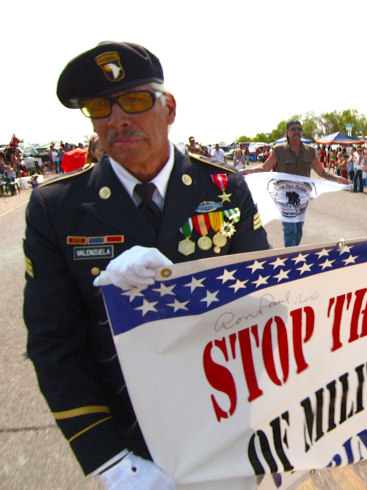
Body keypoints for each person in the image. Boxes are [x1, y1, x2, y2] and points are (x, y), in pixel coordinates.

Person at [23, 41, 270, 488]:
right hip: (129, 440)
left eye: (135, 101)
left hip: (224, 422)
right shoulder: (56, 208)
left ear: (169, 108)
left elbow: (263, 300)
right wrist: (113, 462)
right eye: (100, 108)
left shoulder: (224, 188)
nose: (117, 119)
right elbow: (54, 345)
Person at [248, 119, 348, 246]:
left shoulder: (310, 151)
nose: (296, 131)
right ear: (287, 132)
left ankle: (292, 252)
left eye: (299, 129)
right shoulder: (278, 150)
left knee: (299, 230)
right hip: (284, 197)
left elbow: (322, 172)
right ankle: (290, 258)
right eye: (293, 129)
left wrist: (337, 179)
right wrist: (247, 171)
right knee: (290, 230)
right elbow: (264, 168)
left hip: (302, 197)